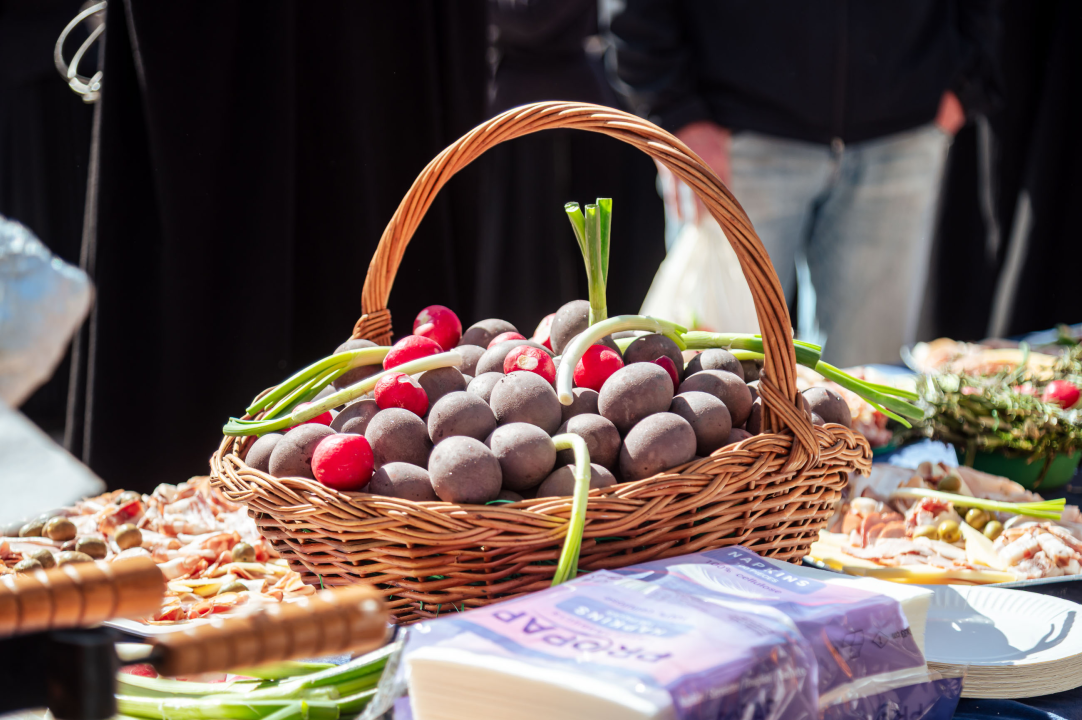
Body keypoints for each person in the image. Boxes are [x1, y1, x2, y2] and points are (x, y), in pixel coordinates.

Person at [611, 1, 1002, 366]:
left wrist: (966, 79)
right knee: (719, 381)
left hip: (901, 126)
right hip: (736, 134)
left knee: (867, 385)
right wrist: (675, 110)